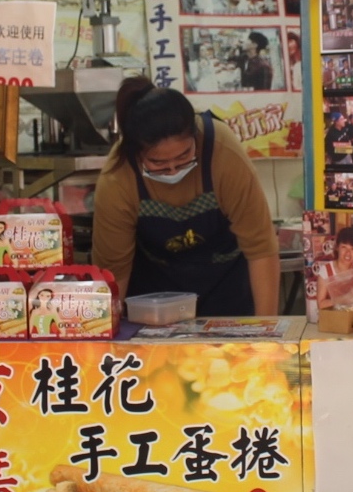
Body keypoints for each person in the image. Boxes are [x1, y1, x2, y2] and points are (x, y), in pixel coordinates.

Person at [92, 77, 279, 317]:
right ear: (136, 153)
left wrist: (266, 332)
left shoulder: (223, 153)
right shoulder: (117, 179)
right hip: (154, 302)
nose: (172, 170)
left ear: (195, 136)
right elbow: (114, 273)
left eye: (183, 157)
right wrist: (108, 337)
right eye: (158, 163)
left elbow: (261, 249)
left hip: (228, 290)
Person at [316, 226, 353, 312]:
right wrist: (342, 299)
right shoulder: (326, 270)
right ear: (337, 248)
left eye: (352, 249)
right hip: (333, 320)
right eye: (344, 247)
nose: (348, 253)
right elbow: (320, 304)